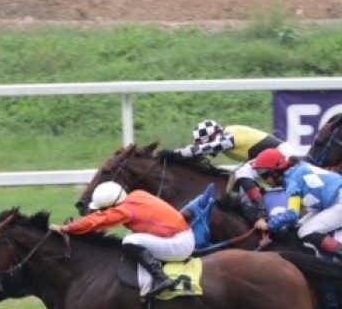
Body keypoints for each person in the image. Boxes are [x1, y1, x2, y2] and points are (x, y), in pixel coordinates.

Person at [50, 181, 195, 295]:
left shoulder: (125, 210)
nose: (102, 212)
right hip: (181, 235)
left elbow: (98, 220)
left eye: (103, 209)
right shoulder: (137, 195)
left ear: (112, 205)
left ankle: (161, 278)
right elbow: (103, 220)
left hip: (179, 244)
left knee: (130, 241)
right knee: (131, 235)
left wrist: (66, 228)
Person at [158, 120, 295, 224]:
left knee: (242, 172)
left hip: (282, 155)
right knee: (232, 174)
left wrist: (173, 153)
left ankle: (261, 211)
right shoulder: (226, 137)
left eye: (204, 142)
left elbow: (201, 150)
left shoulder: (230, 135)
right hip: (273, 156)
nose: (205, 148)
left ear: (213, 136)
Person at [252, 148, 342, 258]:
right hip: (331, 202)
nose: (264, 180)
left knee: (305, 231)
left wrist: (269, 225)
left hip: (337, 202)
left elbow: (292, 214)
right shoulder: (296, 170)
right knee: (298, 227)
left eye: (264, 176)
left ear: (274, 172)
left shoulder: (292, 182)